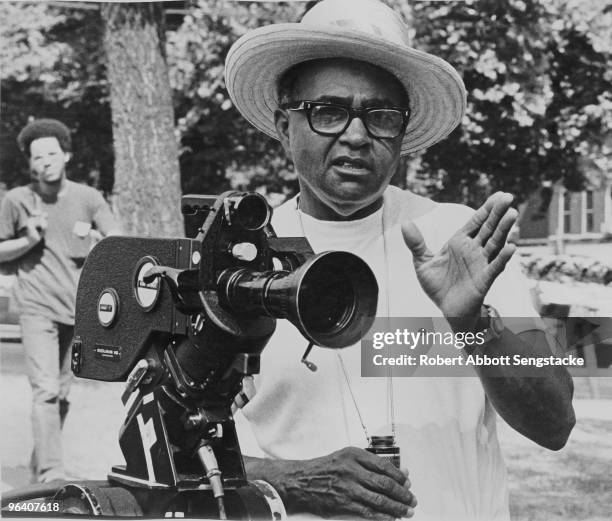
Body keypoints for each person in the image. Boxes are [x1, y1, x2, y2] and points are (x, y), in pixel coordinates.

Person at [223, 1, 576, 520]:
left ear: (403, 132)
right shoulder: (241, 263)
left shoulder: (462, 240)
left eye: (381, 115)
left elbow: (556, 424)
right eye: (328, 110)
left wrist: (473, 324)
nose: (357, 134)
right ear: (283, 123)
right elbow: (176, 454)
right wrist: (294, 482)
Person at [0, 118, 121, 483]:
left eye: (52, 154)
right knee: (47, 390)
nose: (45, 162)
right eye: (38, 158)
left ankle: (40, 466)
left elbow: (117, 237)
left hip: (77, 308)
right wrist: (28, 239)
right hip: (36, 306)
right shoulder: (17, 200)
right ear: (30, 164)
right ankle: (52, 472)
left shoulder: (88, 197)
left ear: (66, 155)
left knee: (64, 392)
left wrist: (103, 243)